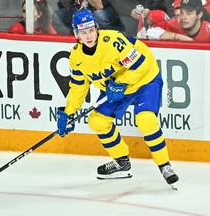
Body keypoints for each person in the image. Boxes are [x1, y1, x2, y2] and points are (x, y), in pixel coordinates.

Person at [56, 9, 179, 188]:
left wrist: (119, 83)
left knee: (146, 120)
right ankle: (122, 162)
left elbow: (142, 65)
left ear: (96, 28)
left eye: (91, 30)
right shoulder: (76, 57)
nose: (89, 36)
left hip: (144, 80)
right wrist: (68, 112)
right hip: (117, 86)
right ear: (77, 34)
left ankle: (165, 165)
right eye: (83, 32)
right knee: (97, 121)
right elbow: (78, 88)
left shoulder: (113, 42)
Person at [52, 0, 125, 35]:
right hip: (78, 11)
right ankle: (70, 40)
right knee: (58, 15)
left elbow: (99, 6)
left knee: (98, 15)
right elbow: (65, 4)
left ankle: (106, 40)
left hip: (103, 12)